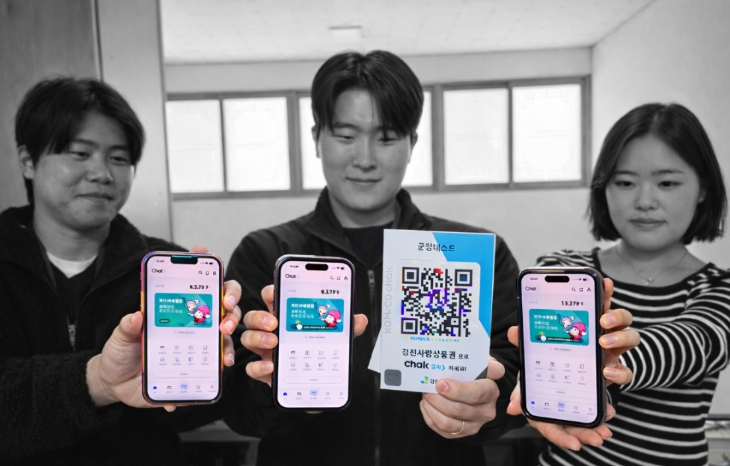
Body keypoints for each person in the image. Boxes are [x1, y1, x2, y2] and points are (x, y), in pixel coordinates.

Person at [226, 50, 636, 465]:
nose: (365, 159)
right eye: (346, 136)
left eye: (387, 137)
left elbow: (512, 371)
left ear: (412, 143)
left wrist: (486, 404)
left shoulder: (476, 252)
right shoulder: (267, 254)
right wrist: (277, 391)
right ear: (317, 138)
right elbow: (239, 410)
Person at [0, 77, 246, 464]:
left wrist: (213, 365)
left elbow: (189, 414)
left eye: (118, 158)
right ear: (29, 161)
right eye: (80, 153)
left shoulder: (166, 266)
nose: (102, 173)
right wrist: (97, 379)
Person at [513, 103, 730, 465]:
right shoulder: (565, 269)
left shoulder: (718, 287)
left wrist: (608, 362)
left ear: (703, 190)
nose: (644, 202)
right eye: (625, 182)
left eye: (667, 183)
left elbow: (697, 342)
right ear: (604, 188)